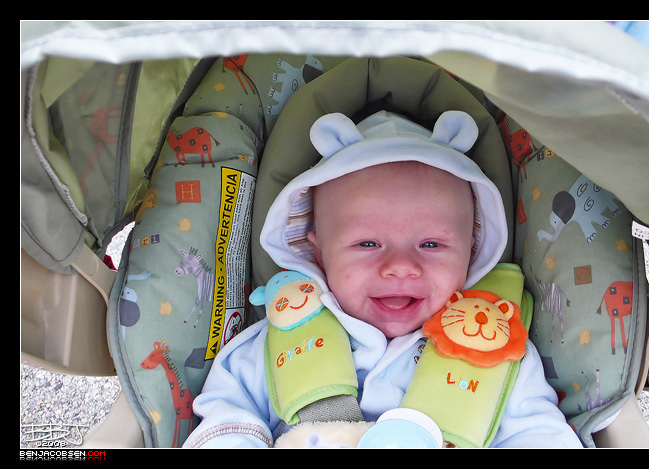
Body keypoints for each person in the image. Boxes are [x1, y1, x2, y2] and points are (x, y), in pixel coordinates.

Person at [183, 110, 582, 448]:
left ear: (471, 249)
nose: (400, 266)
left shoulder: (496, 352)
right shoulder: (272, 345)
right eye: (368, 243)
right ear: (318, 252)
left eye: (431, 244)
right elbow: (226, 424)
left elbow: (539, 437)